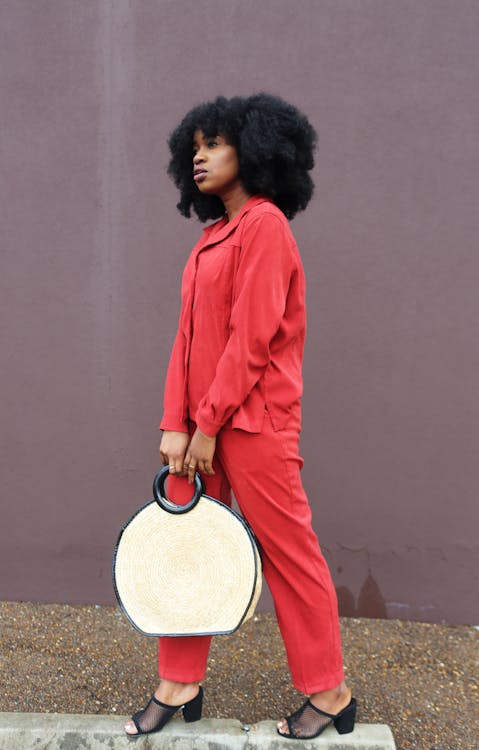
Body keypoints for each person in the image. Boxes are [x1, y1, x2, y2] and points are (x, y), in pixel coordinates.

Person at [125, 93, 356, 739]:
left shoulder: (265, 226)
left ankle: (330, 691)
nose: (199, 157)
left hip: (252, 426)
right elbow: (188, 340)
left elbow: (252, 339)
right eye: (193, 148)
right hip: (199, 430)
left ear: (255, 152)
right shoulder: (211, 238)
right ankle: (180, 681)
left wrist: (207, 424)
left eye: (214, 145)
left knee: (288, 555)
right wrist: (176, 423)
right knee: (185, 548)